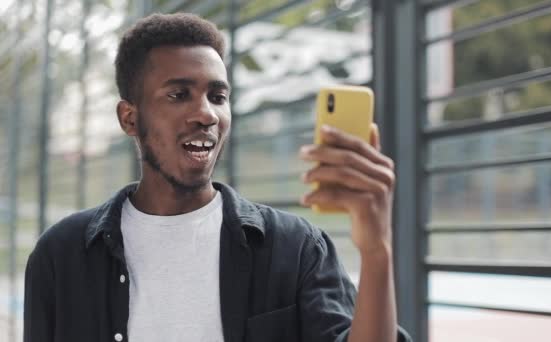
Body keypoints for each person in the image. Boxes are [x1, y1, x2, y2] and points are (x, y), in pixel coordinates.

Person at [23, 13, 410, 342]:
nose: (206, 114)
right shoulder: (61, 255)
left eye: (217, 96)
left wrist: (377, 252)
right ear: (129, 117)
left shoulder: (295, 248)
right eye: (179, 95)